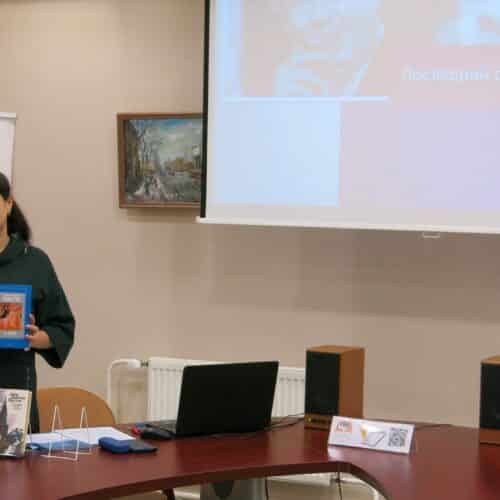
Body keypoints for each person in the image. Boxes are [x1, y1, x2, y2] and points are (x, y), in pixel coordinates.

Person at [0, 173, 75, 433]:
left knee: (12, 459)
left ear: (8, 203)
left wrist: (35, 337)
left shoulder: (34, 262)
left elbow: (62, 327)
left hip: (13, 390)